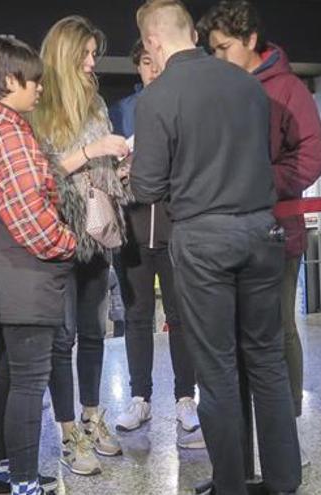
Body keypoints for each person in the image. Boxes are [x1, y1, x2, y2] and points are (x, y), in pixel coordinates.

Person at [132, 1, 301, 494]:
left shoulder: (159, 96)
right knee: (267, 360)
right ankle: (284, 481)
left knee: (218, 368)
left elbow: (146, 186)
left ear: (153, 43)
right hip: (261, 232)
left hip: (203, 240)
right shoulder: (249, 85)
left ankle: (230, 483)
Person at [198, 0, 321, 466]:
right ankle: (245, 444)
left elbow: (312, 158)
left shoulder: (289, 90)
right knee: (237, 341)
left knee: (275, 334)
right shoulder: (219, 88)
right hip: (227, 236)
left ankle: (286, 435)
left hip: (276, 235)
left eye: (224, 47)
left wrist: (259, 180)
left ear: (251, 40)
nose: (217, 57)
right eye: (211, 49)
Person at [0, 36, 76, 495]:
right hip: (25, 274)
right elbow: (31, 218)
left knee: (7, 377)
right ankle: (25, 481)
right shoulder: (8, 133)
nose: (41, 88)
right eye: (35, 80)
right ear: (10, 80)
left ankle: (7, 470)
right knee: (28, 383)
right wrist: (70, 242)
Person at [30, 15, 131, 477]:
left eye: (94, 54)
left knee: (95, 332)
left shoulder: (95, 104)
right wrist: (91, 153)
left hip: (97, 232)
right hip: (58, 234)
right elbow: (40, 176)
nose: (92, 63)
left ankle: (92, 417)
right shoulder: (39, 106)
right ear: (63, 56)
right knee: (62, 337)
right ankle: (67, 431)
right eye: (85, 54)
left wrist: (118, 168)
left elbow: (98, 168)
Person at [108, 39, 203, 449]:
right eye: (145, 63)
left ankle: (186, 397)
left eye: (156, 62)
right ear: (138, 67)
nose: (152, 70)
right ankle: (139, 397)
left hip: (175, 227)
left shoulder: (186, 106)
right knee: (137, 315)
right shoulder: (123, 111)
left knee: (180, 316)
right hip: (130, 228)